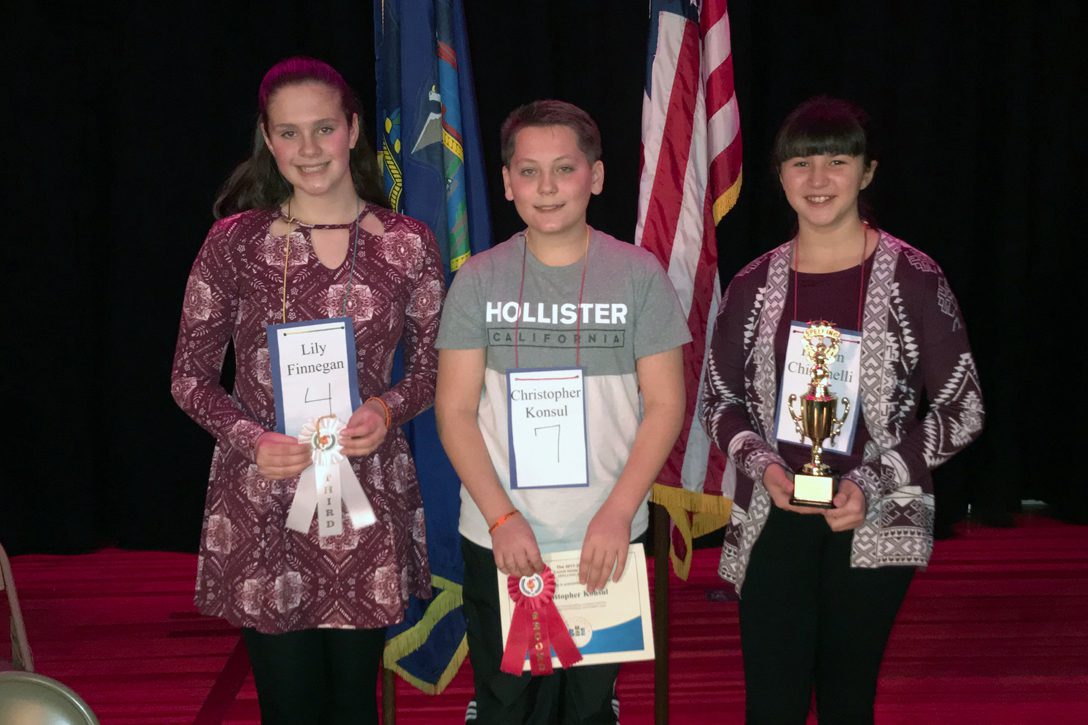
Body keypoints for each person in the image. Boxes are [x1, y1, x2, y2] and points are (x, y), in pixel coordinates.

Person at [171, 56, 444, 724]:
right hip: (266, 498)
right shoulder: (234, 243)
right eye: (289, 133)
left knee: (355, 707)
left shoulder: (408, 244)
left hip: (364, 501)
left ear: (353, 129)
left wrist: (388, 406)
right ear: (268, 139)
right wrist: (249, 437)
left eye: (323, 128)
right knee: (288, 708)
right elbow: (188, 376)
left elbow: (436, 370)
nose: (308, 149)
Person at [701, 96, 985, 723]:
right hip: (773, 511)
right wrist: (765, 468)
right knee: (771, 702)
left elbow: (962, 409)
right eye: (801, 164)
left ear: (868, 171)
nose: (819, 179)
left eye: (837, 160)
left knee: (847, 698)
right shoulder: (753, 284)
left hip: (874, 516)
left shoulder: (915, 277)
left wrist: (871, 479)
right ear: (779, 177)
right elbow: (718, 400)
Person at [434, 100, 689, 724]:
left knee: (588, 709)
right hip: (501, 538)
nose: (546, 188)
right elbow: (455, 411)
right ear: (506, 182)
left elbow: (664, 406)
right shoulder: (479, 280)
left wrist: (618, 513)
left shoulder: (638, 276)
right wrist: (502, 521)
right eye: (528, 171)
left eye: (564, 169)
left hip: (604, 539)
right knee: (506, 705)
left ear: (595, 177)